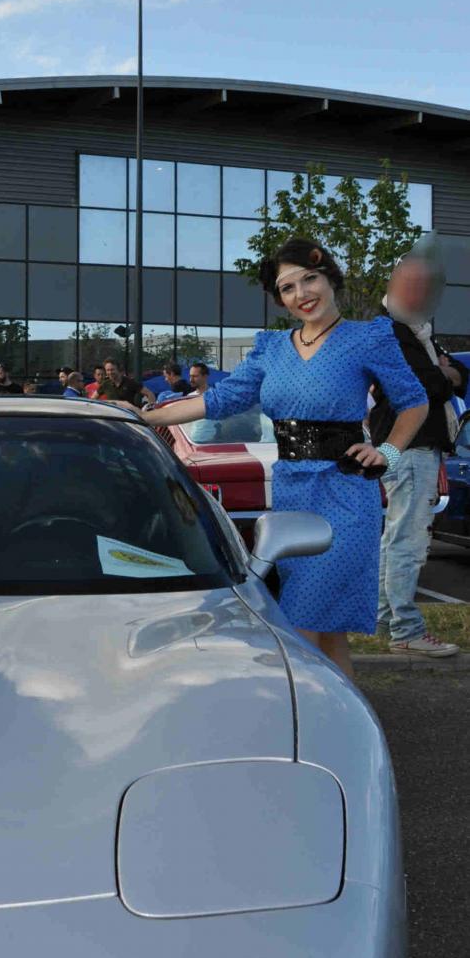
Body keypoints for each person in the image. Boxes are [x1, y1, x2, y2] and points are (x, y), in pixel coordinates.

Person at [140, 238, 428, 678]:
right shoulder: (272, 348)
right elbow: (220, 399)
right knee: (328, 633)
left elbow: (414, 401)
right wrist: (145, 415)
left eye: (309, 279)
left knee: (299, 625)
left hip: (346, 494)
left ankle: (302, 725)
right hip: (292, 494)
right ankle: (344, 725)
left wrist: (386, 451)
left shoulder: (367, 337)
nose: (302, 294)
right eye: (288, 288)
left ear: (330, 278)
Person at [371, 251, 468, 657]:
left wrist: (447, 373)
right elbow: (431, 385)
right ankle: (406, 631)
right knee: (408, 541)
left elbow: (458, 379)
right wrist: (444, 373)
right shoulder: (391, 332)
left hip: (411, 447)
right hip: (409, 448)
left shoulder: (420, 331)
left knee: (396, 537)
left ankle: (382, 617)